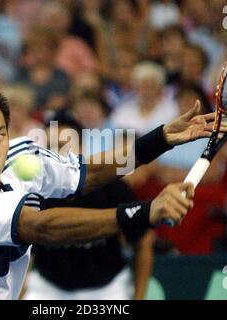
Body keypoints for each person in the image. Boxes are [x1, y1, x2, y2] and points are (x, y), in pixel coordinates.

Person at [0, 87, 227, 300]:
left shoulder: (21, 158)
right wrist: (144, 213)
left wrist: (159, 139)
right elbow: (42, 227)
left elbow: (86, 173)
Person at [23, 111, 153, 300]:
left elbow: (143, 241)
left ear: (82, 148)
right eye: (49, 147)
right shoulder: (31, 193)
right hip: (47, 288)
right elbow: (24, 254)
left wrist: (139, 297)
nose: (56, 154)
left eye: (64, 146)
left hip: (108, 288)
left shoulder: (113, 187)